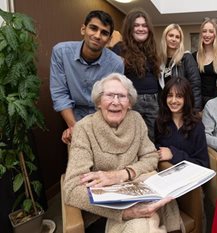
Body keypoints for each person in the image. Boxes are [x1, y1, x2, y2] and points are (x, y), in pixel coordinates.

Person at [63, 73, 181, 233]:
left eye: (122, 96)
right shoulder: (84, 129)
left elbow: (151, 156)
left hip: (140, 193)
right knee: (143, 224)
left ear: (130, 103)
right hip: (106, 211)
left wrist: (123, 174)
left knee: (150, 214)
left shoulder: (136, 120)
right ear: (98, 101)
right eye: (110, 95)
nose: (116, 102)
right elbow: (71, 188)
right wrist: (124, 212)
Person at [50, 10, 124, 144]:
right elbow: (60, 94)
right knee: (78, 159)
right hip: (72, 117)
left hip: (103, 119)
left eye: (104, 33)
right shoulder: (61, 52)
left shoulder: (117, 63)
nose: (97, 35)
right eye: (93, 28)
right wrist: (75, 128)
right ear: (83, 29)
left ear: (108, 39)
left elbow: (113, 99)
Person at [111, 9, 160, 141]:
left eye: (144, 25)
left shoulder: (151, 48)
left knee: (152, 139)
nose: (141, 28)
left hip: (154, 101)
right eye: (136, 25)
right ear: (129, 28)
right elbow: (114, 79)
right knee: (132, 138)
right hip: (132, 100)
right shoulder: (120, 48)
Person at [155, 77, 209, 167]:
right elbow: (159, 151)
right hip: (167, 175)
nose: (173, 101)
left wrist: (174, 154)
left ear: (186, 99)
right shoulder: (160, 121)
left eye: (179, 96)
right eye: (170, 95)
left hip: (193, 177)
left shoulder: (196, 125)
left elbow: (203, 164)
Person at [159, 23, 202, 111]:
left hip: (183, 107)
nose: (174, 39)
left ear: (180, 41)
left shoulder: (186, 58)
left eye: (177, 37)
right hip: (166, 108)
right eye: (171, 35)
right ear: (165, 37)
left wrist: (195, 110)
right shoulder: (160, 61)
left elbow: (195, 85)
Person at [193, 18, 217, 109]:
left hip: (216, 102)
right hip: (198, 102)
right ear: (201, 34)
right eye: (204, 31)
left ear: (215, 34)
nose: (207, 35)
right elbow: (193, 83)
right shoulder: (193, 56)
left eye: (211, 31)